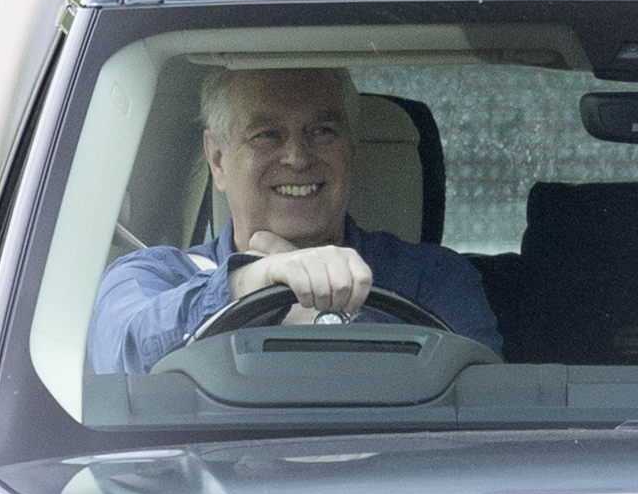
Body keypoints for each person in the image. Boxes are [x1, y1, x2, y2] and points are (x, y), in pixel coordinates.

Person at [88, 67, 502, 374]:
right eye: (266, 134)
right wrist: (251, 286)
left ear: (350, 150)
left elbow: (480, 410)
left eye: (322, 131)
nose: (298, 157)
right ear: (218, 160)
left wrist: (344, 324)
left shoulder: (433, 279)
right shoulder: (155, 276)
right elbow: (119, 353)